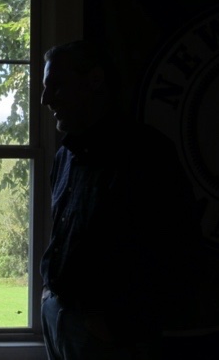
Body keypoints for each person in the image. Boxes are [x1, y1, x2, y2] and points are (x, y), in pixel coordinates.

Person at [39, 40, 203, 360]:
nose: (46, 99)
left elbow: (177, 250)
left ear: (95, 81)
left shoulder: (147, 154)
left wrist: (121, 325)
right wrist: (49, 294)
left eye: (56, 86)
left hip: (108, 336)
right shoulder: (64, 158)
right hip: (59, 316)